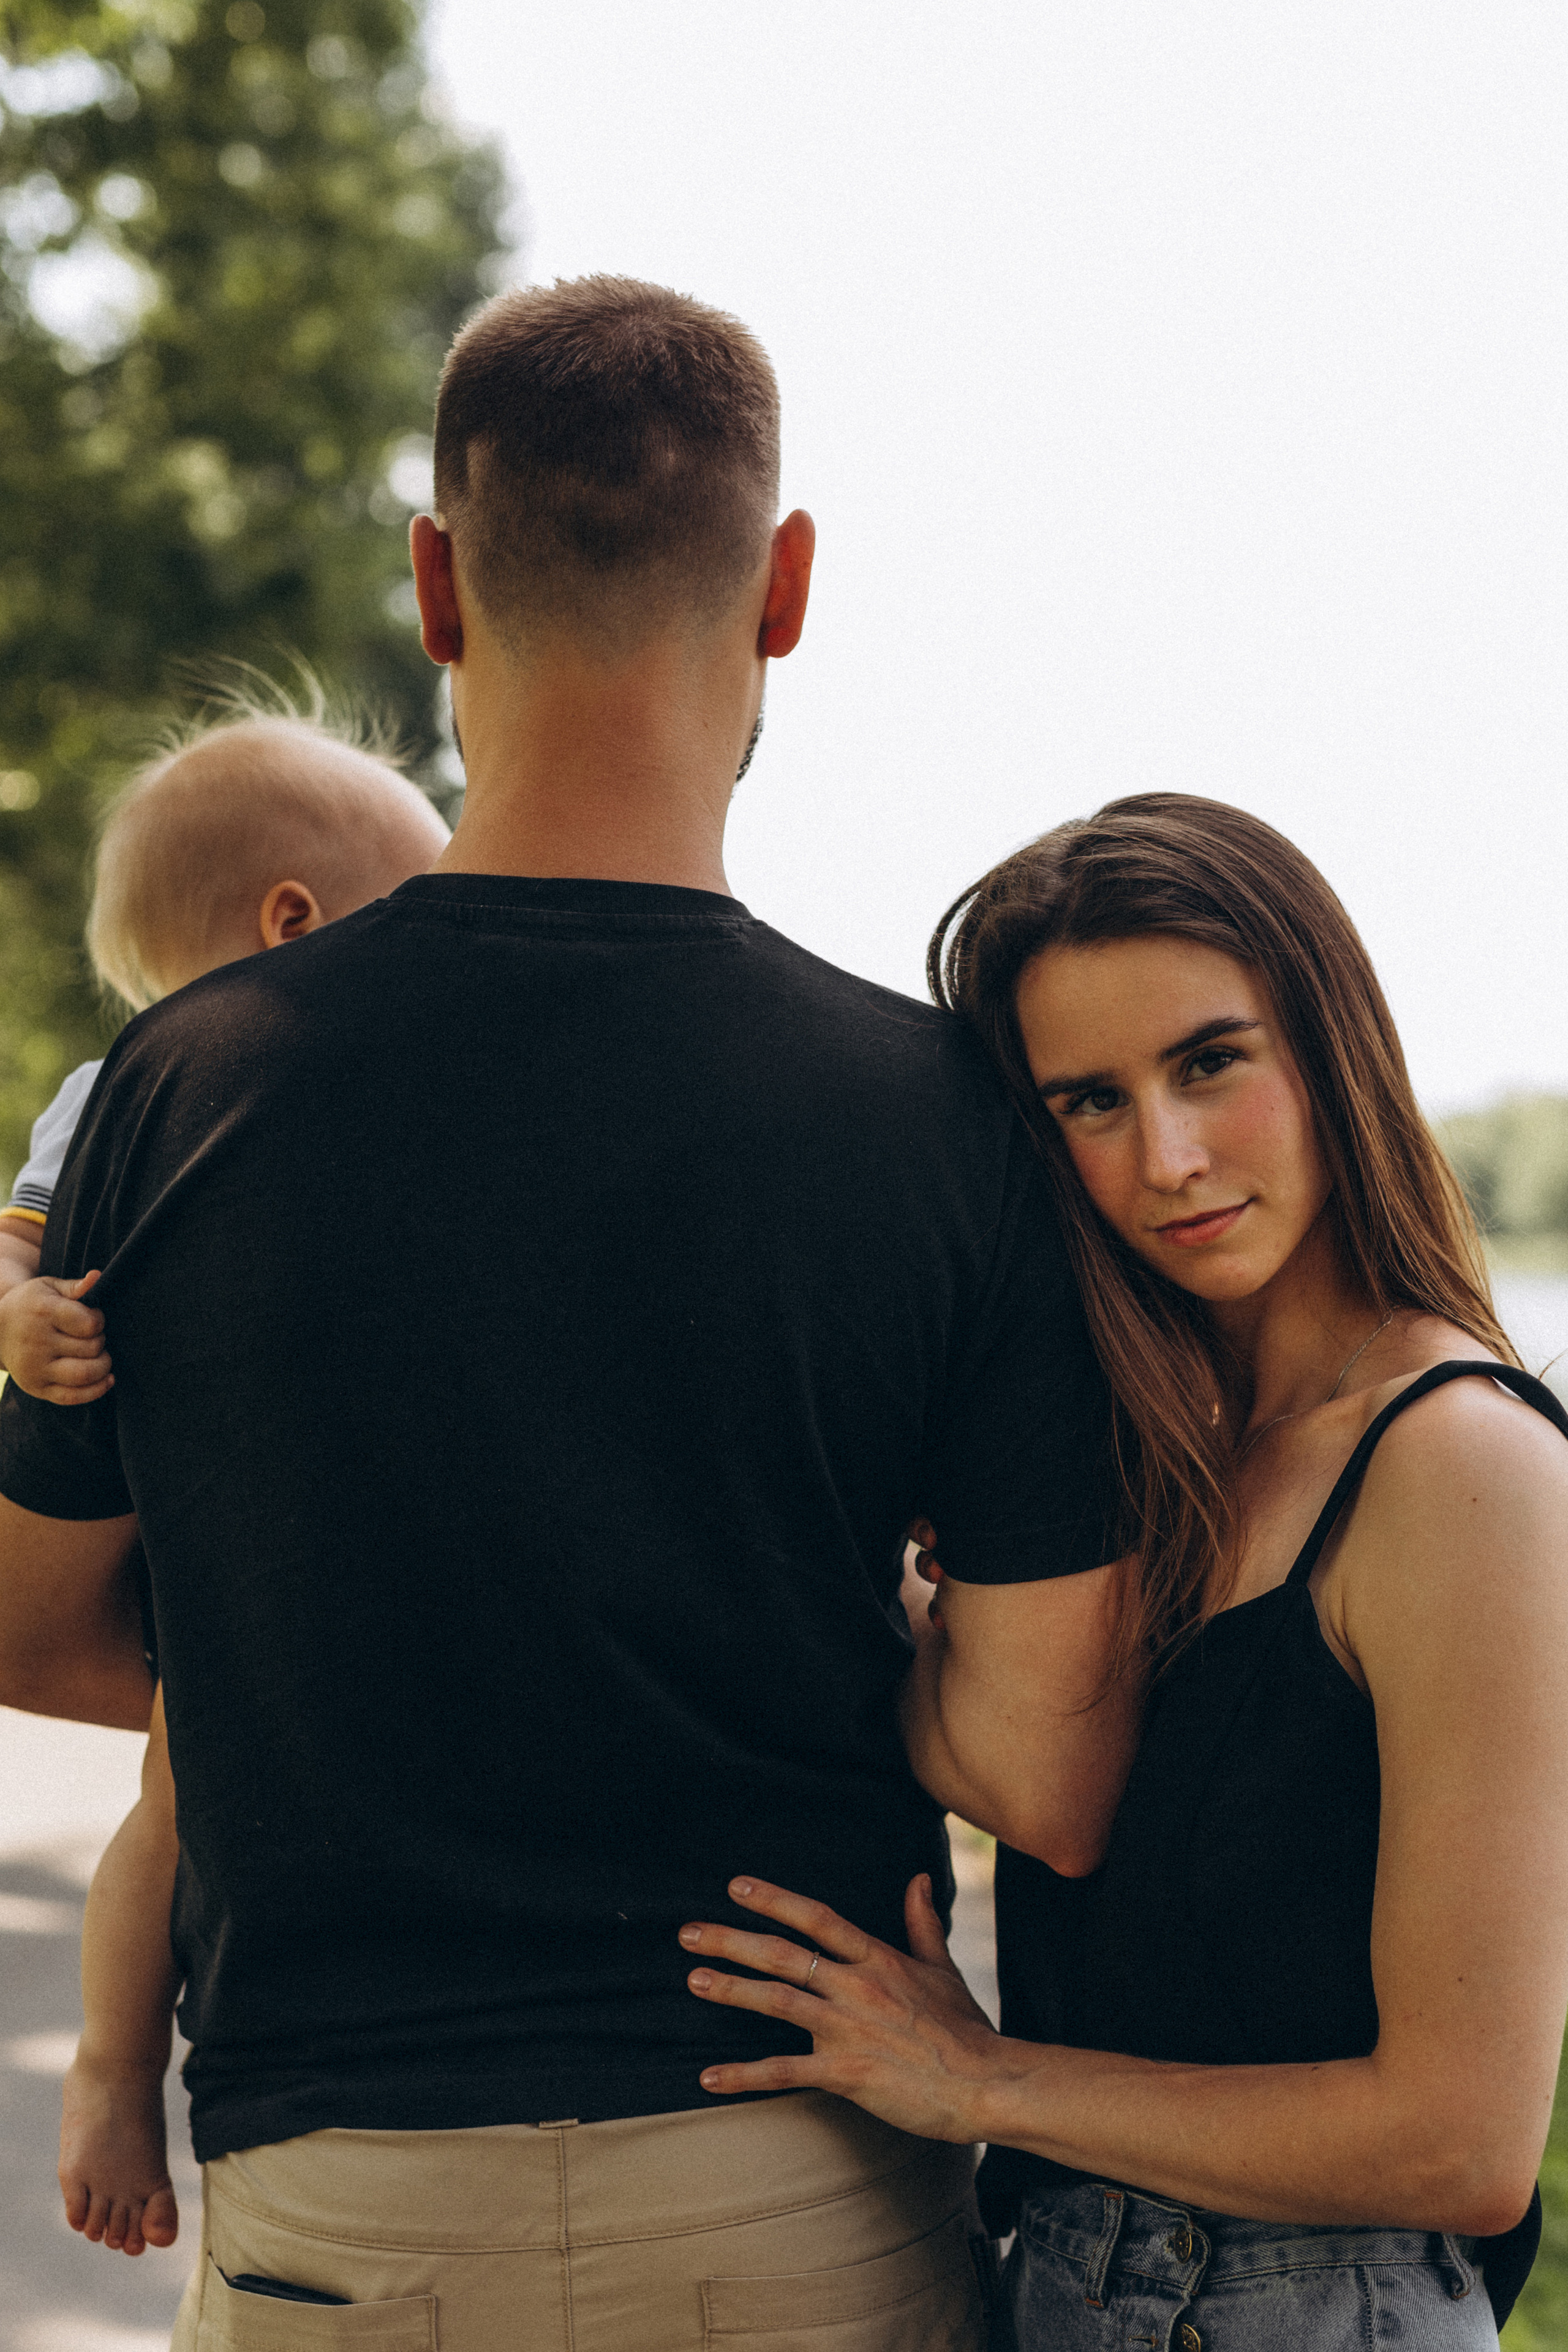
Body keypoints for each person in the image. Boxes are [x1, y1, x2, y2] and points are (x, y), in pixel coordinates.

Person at [0, 279, 1131, 2352]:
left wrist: (316, 1657)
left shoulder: (181, 1089)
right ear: (787, 588)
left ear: (435, 584)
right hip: (795, 2188)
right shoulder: (942, 1117)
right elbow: (1048, 1775)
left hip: (345, 2211)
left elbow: (25, 1623)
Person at [677, 793, 1568, 2351]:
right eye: (1088, 1102)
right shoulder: (1161, 1465)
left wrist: (980, 2081)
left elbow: (1459, 2141)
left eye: (1208, 1062)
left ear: (1329, 1048)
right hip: (1063, 2284)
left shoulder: (1460, 1466)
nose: (1166, 1158)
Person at [0, 693, 451, 2260]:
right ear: (296, 921)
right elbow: (15, 1239)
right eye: (419, 909)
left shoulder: (379, 1090)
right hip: (201, 1539)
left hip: (317, 1525)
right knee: (175, 1801)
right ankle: (112, 2076)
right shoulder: (126, 1089)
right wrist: (21, 1319)